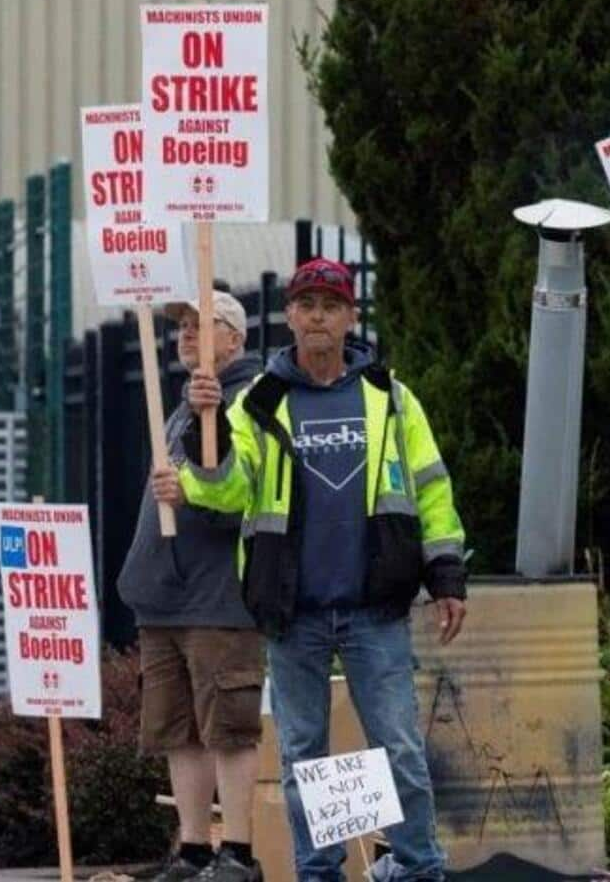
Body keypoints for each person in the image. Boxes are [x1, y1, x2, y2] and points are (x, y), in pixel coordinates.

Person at [152, 258, 467, 882]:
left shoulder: (390, 397)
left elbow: (431, 489)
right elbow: (226, 490)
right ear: (290, 316)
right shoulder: (262, 401)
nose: (319, 315)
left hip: (374, 607)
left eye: (331, 304)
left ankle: (418, 867)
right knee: (303, 759)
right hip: (293, 611)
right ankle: (319, 873)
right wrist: (203, 432)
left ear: (351, 317)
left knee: (400, 750)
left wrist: (447, 575)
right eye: (307, 304)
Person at [119, 291, 266, 882]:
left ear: (235, 338)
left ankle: (237, 852)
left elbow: (241, 490)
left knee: (227, 725)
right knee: (179, 729)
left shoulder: (249, 402)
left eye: (202, 325)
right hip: (165, 596)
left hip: (218, 597)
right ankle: (194, 850)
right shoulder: (181, 408)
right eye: (180, 325)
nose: (185, 333)